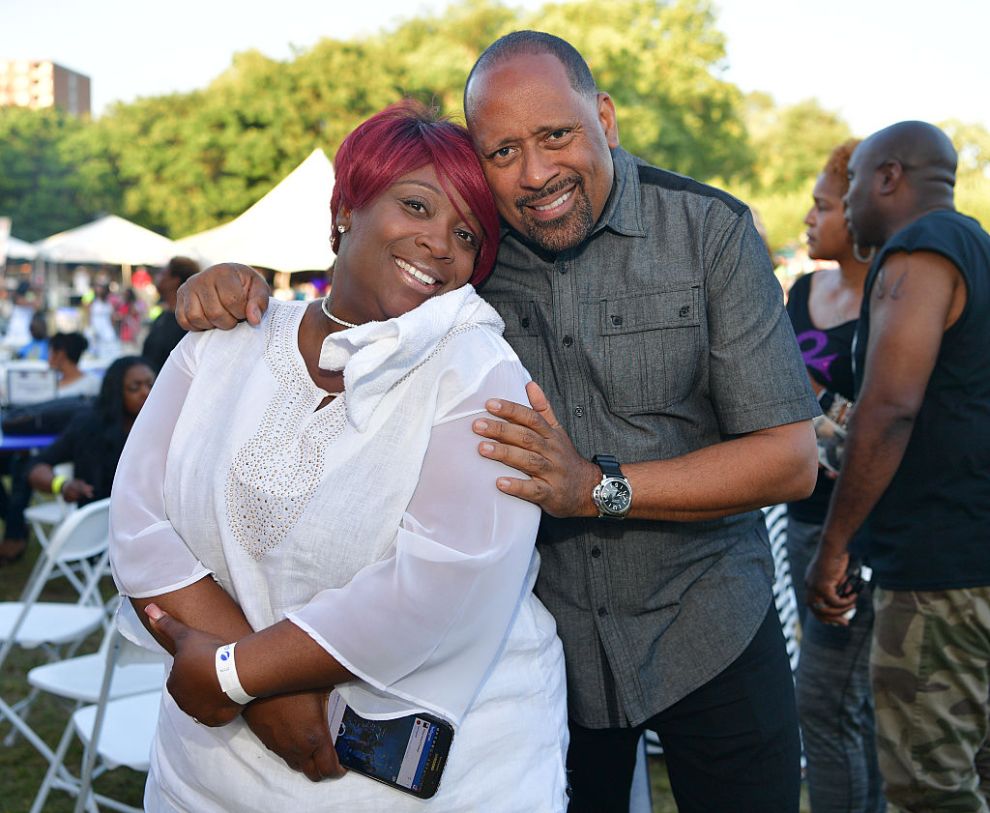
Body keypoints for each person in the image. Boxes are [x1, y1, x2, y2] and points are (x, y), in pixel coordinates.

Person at [177, 33, 820, 813]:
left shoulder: (708, 232)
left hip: (708, 629)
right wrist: (238, 290)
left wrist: (595, 488)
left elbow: (790, 459)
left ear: (605, 119)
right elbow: (360, 302)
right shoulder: (469, 254)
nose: (536, 172)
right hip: (550, 650)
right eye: (503, 151)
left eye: (556, 136)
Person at [110, 101, 567, 812]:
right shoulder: (224, 340)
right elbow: (139, 521)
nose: (439, 243)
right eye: (415, 205)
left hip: (424, 780)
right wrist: (257, 689)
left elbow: (446, 580)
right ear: (346, 207)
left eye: (466, 234)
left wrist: (236, 672)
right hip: (213, 767)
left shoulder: (476, 369)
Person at [806, 121, 990, 812]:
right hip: (975, 558)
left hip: (942, 573)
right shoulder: (979, 247)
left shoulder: (920, 249)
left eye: (853, 184)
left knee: (931, 791)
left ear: (889, 177)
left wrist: (834, 544)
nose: (847, 201)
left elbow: (891, 408)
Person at [785, 140, 884, 813]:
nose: (809, 218)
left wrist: (815, 418)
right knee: (856, 703)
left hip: (854, 537)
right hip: (797, 518)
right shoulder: (799, 289)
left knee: (821, 701)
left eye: (823, 205)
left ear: (856, 210)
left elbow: (887, 425)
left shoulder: (891, 301)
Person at [27, 356, 154, 506]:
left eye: (151, 385)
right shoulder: (88, 426)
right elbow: (36, 466)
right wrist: (62, 485)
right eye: (134, 387)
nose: (146, 392)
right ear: (116, 391)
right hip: (99, 519)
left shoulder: (162, 426)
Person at [141, 256, 200, 372]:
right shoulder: (163, 316)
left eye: (163, 274)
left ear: (175, 280)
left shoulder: (189, 322)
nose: (157, 278)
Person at [47, 332, 101, 398]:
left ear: (61, 354)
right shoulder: (50, 385)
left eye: (50, 353)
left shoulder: (93, 384)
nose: (48, 359)